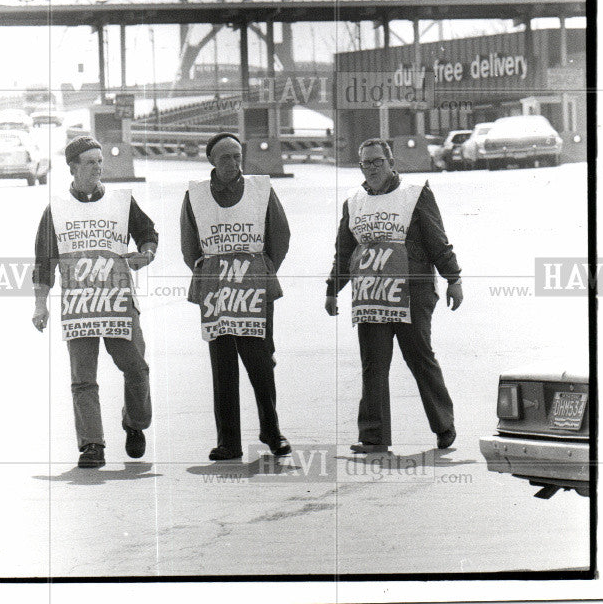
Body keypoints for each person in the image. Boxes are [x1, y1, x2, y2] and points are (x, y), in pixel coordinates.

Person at [325, 137, 463, 453]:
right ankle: (374, 438)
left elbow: (437, 240)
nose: (371, 168)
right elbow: (344, 250)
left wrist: (453, 278)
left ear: (391, 164)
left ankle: (444, 425)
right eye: (366, 162)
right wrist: (332, 289)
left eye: (377, 161)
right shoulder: (354, 201)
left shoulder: (415, 195)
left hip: (413, 290)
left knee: (419, 357)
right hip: (371, 292)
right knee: (374, 364)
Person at [32, 135, 158, 469]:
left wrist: (146, 254)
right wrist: (40, 304)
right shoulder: (56, 209)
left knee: (137, 370)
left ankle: (134, 422)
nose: (97, 168)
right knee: (83, 379)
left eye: (100, 161)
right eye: (89, 162)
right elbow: (44, 261)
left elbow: (147, 233)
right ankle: (91, 444)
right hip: (79, 307)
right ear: (72, 168)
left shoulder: (121, 201)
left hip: (118, 302)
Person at [180, 132, 291, 461]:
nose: (233, 163)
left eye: (237, 156)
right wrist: (208, 272)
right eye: (225, 157)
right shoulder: (196, 194)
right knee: (223, 366)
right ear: (211, 161)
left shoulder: (261, 189)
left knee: (260, 362)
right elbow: (189, 243)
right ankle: (228, 441)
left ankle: (272, 431)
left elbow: (279, 234)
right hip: (216, 289)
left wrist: (264, 269)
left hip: (254, 286)